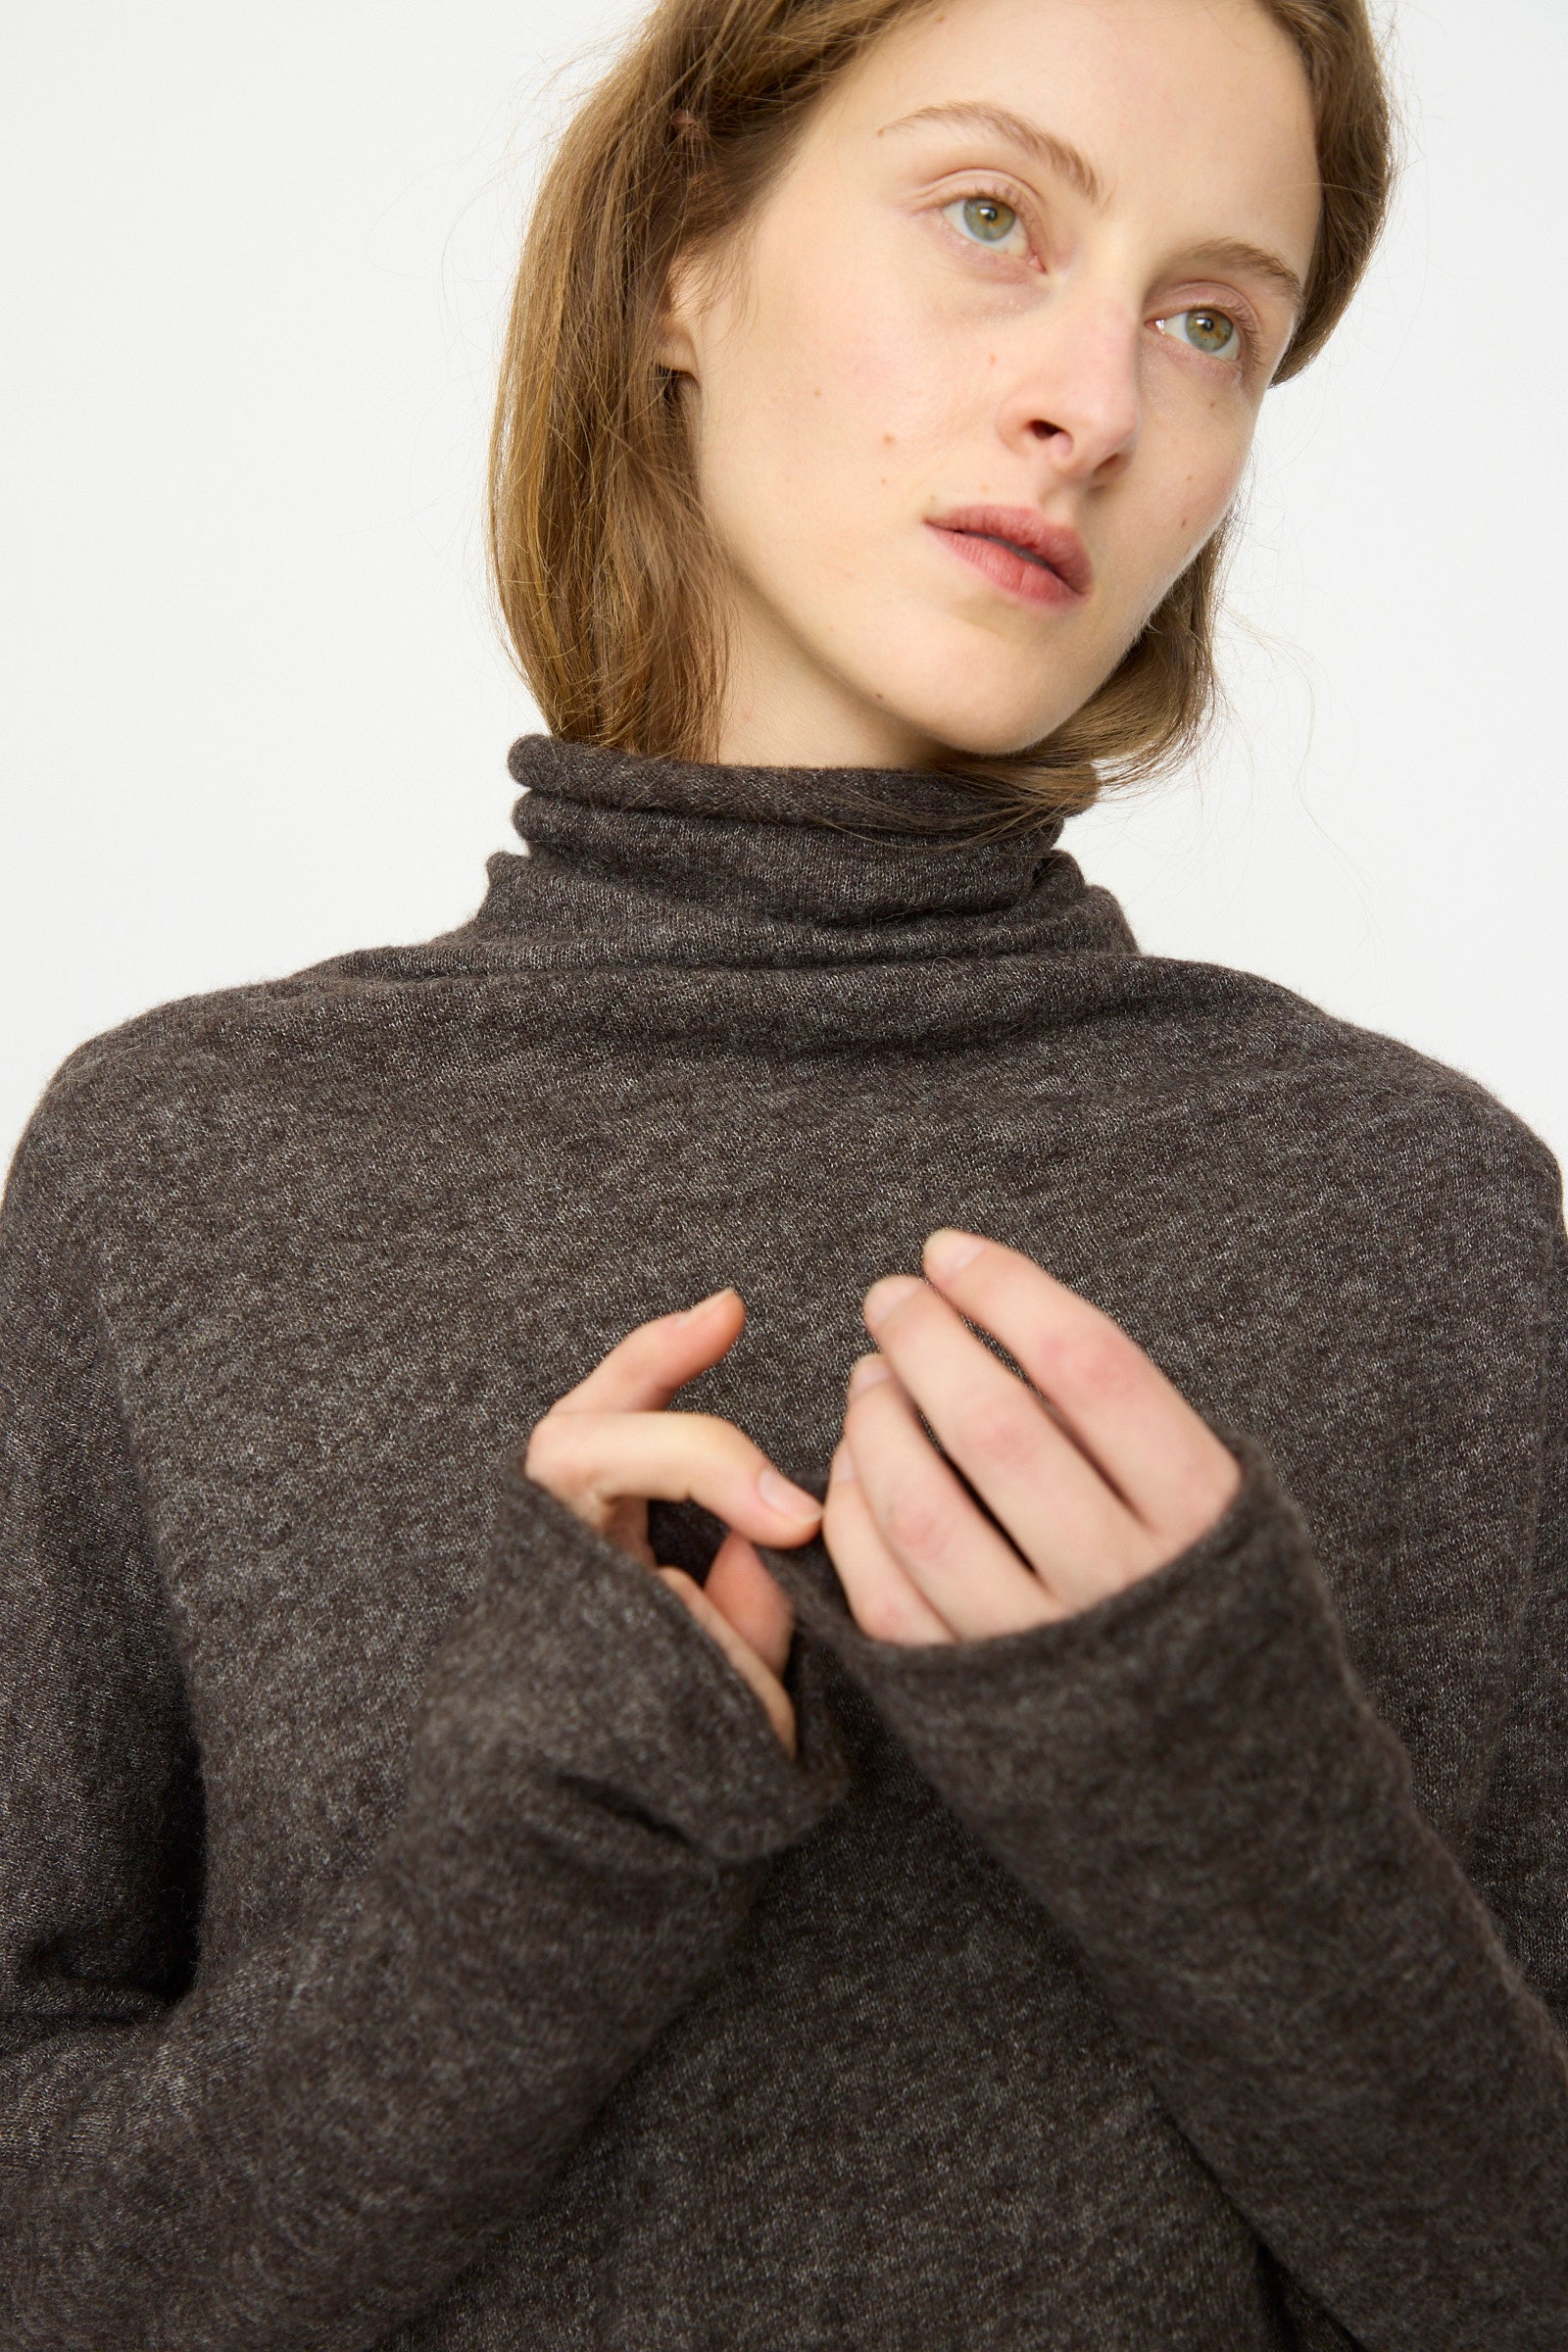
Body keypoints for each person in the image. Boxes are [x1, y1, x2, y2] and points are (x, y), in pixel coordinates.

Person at [1, 0, 1563, 2346]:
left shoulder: (1428, 1222)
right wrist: (525, 1874)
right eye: (983, 216)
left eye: (1208, 319)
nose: (1097, 404)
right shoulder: (175, 1178)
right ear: (680, 258)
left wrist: (1239, 1822)